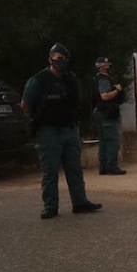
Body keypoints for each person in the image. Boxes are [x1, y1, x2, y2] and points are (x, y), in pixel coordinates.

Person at [21, 43, 103, 219]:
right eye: (58, 58)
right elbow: (25, 105)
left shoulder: (71, 79)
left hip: (69, 129)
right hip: (48, 132)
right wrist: (35, 121)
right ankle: (50, 207)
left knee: (74, 169)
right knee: (50, 171)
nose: (61, 62)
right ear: (50, 59)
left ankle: (80, 202)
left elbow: (78, 103)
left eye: (64, 59)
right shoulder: (38, 80)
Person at [92, 56, 127, 175]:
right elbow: (105, 96)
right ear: (101, 66)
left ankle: (104, 167)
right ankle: (112, 167)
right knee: (112, 141)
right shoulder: (103, 79)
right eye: (106, 64)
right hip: (107, 114)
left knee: (103, 142)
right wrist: (117, 90)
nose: (108, 66)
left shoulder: (101, 78)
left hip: (102, 113)